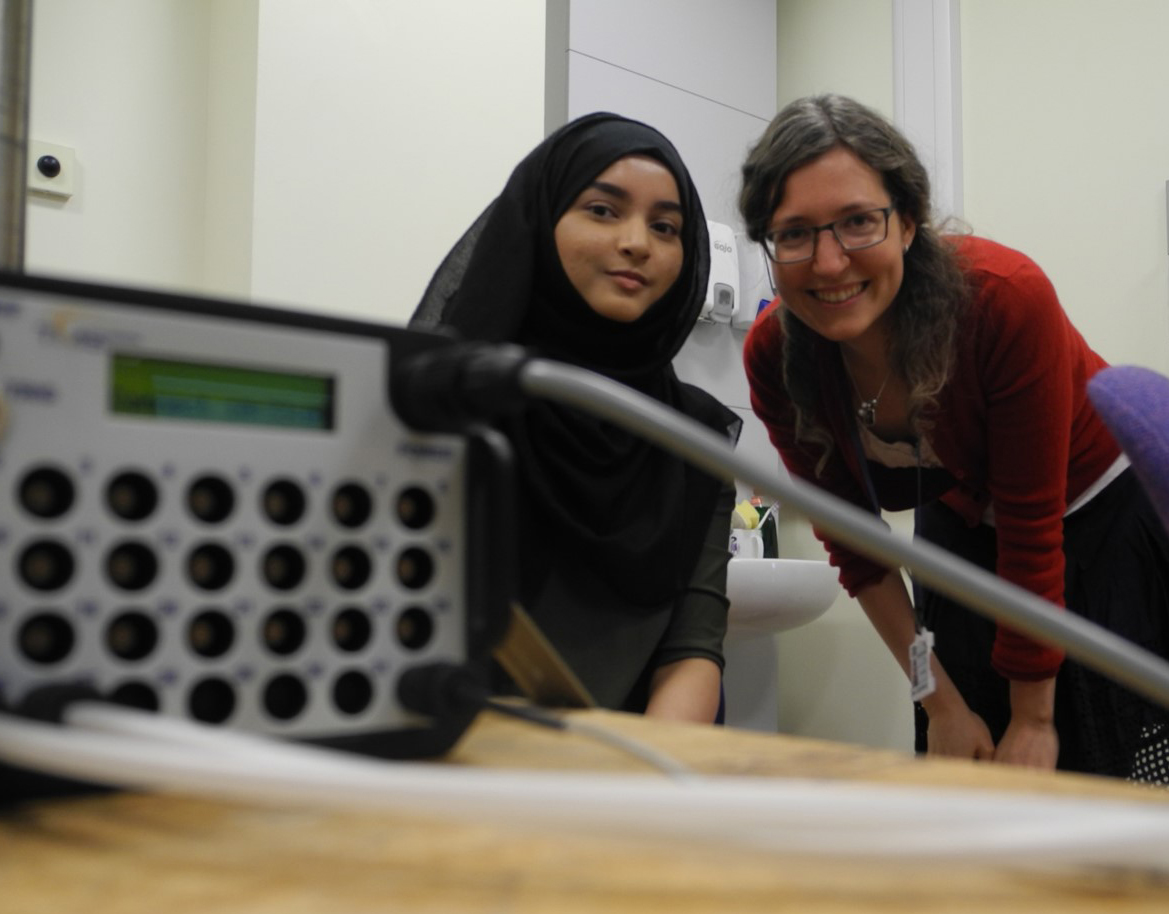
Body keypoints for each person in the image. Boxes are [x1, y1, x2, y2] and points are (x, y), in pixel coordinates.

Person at [739, 93, 1169, 781]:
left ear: (908, 221)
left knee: (1087, 760)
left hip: (1092, 516)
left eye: (858, 222)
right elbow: (858, 550)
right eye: (794, 234)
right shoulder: (776, 355)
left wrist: (1032, 719)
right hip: (959, 520)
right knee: (959, 749)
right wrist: (936, 701)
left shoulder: (1003, 298)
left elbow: (1030, 531)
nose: (828, 263)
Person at [412, 112, 739, 722]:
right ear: (540, 221)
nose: (638, 242)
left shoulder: (691, 437)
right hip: (443, 745)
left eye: (665, 226)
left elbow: (691, 653)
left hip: (622, 762)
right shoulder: (441, 402)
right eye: (603, 210)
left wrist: (635, 773)